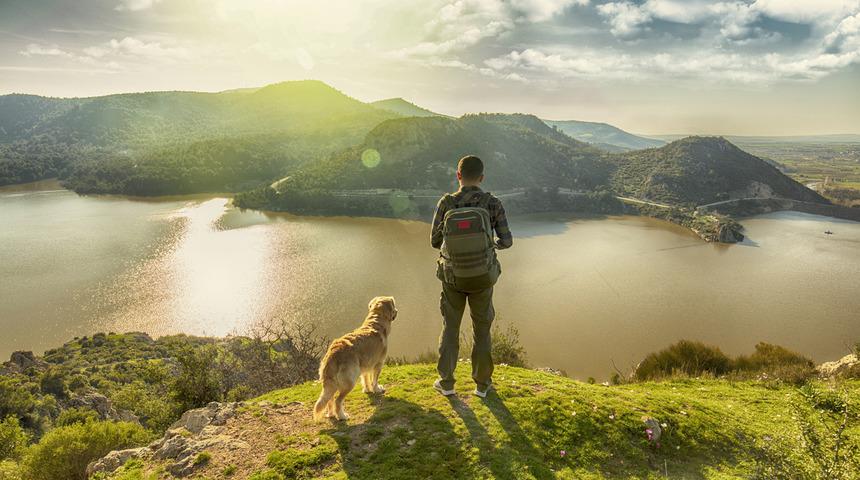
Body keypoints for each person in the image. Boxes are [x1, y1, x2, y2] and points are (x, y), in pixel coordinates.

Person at [430, 155, 512, 398]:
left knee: (450, 328)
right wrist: (489, 245)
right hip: (483, 278)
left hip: (453, 278)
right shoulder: (492, 203)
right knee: (482, 329)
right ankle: (482, 385)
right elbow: (507, 241)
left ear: (458, 175)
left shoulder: (446, 203)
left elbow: (435, 242)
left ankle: (446, 383)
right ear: (482, 178)